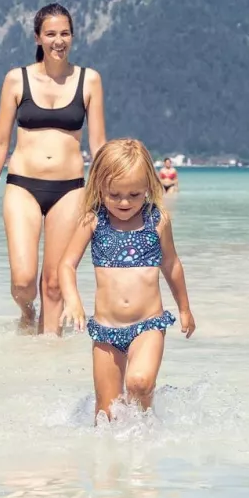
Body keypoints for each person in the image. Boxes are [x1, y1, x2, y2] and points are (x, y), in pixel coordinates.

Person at [0, 3, 107, 334]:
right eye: (50, 34)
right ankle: (25, 313)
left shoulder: (89, 80)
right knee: (23, 282)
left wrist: (105, 194)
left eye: (65, 33)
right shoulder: (16, 79)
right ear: (38, 37)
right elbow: (0, 142)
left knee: (54, 283)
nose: (58, 40)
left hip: (72, 189)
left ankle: (47, 360)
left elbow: (100, 144)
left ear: (73, 37)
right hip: (22, 186)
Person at [58, 139, 196, 422]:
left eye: (134, 195)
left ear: (148, 187)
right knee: (105, 415)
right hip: (105, 331)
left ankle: (144, 446)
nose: (124, 202)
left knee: (139, 382)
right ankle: (108, 463)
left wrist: (184, 308)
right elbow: (67, 265)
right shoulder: (93, 221)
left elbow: (171, 265)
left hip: (148, 325)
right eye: (115, 194)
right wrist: (73, 300)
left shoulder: (157, 220)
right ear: (99, 187)